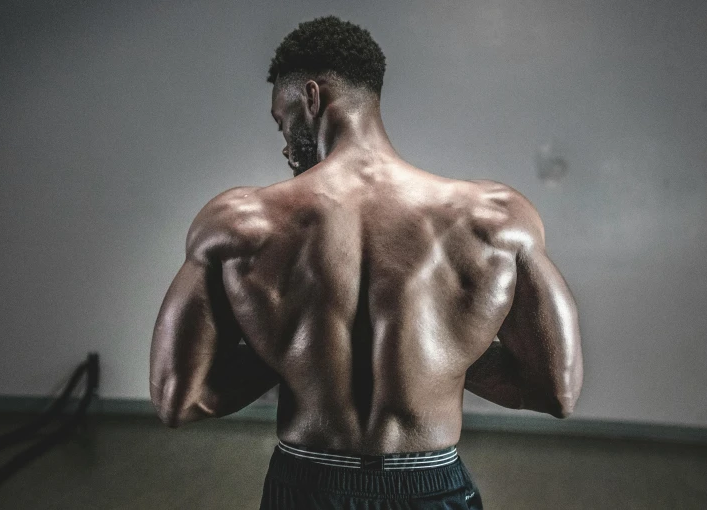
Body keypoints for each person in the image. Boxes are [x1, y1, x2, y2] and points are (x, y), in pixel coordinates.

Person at [149, 15, 583, 509]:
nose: (285, 144)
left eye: (282, 119)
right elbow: (559, 391)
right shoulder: (496, 218)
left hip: (306, 484)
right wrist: (452, 346)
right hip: (430, 485)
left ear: (312, 98)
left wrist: (290, 344)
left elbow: (178, 399)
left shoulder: (237, 221)